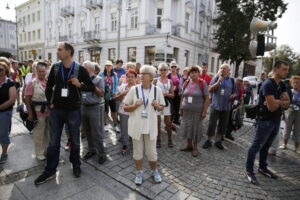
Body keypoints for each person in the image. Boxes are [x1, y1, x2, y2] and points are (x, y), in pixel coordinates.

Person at [34, 42, 95, 185]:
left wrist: (79, 85)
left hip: (73, 111)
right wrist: (50, 103)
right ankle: (50, 170)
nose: (57, 52)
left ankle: (76, 165)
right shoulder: (55, 68)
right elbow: (48, 89)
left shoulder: (79, 69)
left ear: (68, 52)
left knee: (75, 141)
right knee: (53, 142)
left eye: (60, 50)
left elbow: (91, 87)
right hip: (56, 111)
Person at [245, 60, 290, 185]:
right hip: (265, 120)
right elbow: (271, 107)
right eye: (284, 69)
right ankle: (249, 170)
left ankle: (262, 167)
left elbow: (288, 103)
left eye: (287, 69)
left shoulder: (282, 85)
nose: (286, 71)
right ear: (276, 70)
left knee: (266, 146)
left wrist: (277, 102)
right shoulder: (268, 84)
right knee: (256, 146)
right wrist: (280, 102)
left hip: (276, 120)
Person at [123, 65, 165, 185]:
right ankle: (139, 172)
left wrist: (158, 106)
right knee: (137, 152)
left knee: (152, 152)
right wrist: (135, 106)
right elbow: (125, 108)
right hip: (136, 126)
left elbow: (162, 107)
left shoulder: (157, 90)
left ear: (151, 77)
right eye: (140, 73)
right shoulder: (134, 90)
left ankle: (154, 171)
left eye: (144, 73)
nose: (141, 76)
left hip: (151, 127)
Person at [203, 64, 237, 150]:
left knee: (223, 124)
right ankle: (209, 140)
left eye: (224, 68)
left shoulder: (232, 80)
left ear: (229, 71)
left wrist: (233, 95)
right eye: (221, 68)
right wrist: (218, 81)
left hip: (226, 106)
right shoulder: (216, 78)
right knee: (212, 124)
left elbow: (235, 93)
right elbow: (209, 89)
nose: (222, 70)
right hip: (216, 105)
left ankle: (218, 141)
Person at [179, 66, 209, 157]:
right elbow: (182, 96)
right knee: (187, 127)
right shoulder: (186, 82)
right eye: (192, 72)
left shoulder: (202, 83)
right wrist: (181, 108)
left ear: (198, 73)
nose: (194, 74)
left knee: (196, 129)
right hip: (186, 111)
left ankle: (195, 147)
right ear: (189, 74)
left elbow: (207, 99)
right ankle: (189, 145)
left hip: (197, 111)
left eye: (196, 72)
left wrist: (204, 111)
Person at [81, 61, 106, 164]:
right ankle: (92, 150)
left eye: (83, 69)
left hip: (94, 108)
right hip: (83, 107)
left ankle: (102, 153)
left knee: (96, 132)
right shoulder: (81, 80)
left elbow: (101, 93)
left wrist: (91, 84)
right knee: (87, 131)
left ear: (90, 70)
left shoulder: (98, 80)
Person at [24, 61, 49, 161]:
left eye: (43, 71)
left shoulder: (49, 82)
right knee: (39, 133)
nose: (42, 73)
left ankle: (47, 150)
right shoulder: (32, 83)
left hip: (49, 111)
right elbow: (27, 99)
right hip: (38, 112)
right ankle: (39, 153)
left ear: (46, 71)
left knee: (49, 132)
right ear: (36, 71)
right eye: (39, 71)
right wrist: (30, 113)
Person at [115, 69, 137, 154]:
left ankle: (133, 142)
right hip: (123, 111)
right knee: (124, 128)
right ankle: (125, 144)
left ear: (135, 78)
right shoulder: (122, 87)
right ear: (126, 78)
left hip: (134, 111)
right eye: (129, 77)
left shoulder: (138, 88)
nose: (130, 78)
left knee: (134, 128)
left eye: (132, 77)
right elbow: (116, 99)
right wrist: (122, 93)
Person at [154, 63, 175, 148]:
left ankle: (170, 140)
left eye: (164, 69)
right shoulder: (155, 80)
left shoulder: (170, 81)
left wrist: (166, 94)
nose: (163, 71)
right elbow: (151, 92)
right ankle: (158, 140)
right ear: (159, 70)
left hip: (167, 103)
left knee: (169, 123)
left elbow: (173, 95)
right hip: (157, 103)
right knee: (157, 123)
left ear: (167, 71)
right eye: (161, 69)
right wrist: (158, 95)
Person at [0, 62, 17, 164]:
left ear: (6, 70)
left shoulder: (10, 83)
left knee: (3, 134)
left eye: (1, 69)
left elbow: (12, 100)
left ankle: (4, 153)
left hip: (4, 112)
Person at [280, 76, 300, 153]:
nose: (295, 84)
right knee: (287, 128)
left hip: (299, 114)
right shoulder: (289, 92)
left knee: (297, 130)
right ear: (291, 84)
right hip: (289, 112)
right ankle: (284, 144)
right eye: (293, 82)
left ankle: (297, 147)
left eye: (297, 82)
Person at [99, 61, 119, 132]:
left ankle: (115, 125)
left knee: (114, 111)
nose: (108, 67)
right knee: (105, 111)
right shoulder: (101, 74)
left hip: (112, 95)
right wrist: (103, 81)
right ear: (105, 66)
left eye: (109, 66)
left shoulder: (114, 74)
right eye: (107, 66)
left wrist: (115, 92)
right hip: (104, 95)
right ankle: (105, 124)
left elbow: (116, 84)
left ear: (112, 66)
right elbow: (99, 84)